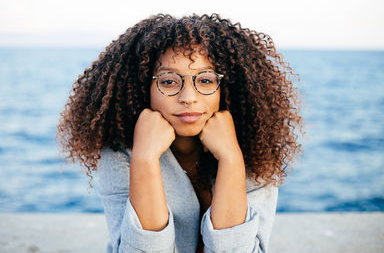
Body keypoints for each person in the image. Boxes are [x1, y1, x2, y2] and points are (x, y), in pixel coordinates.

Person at [56, 13, 304, 252]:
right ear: (143, 88)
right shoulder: (120, 154)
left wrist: (231, 159)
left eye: (206, 80)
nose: (188, 98)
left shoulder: (256, 151)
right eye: (168, 81)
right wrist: (144, 159)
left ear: (227, 86)